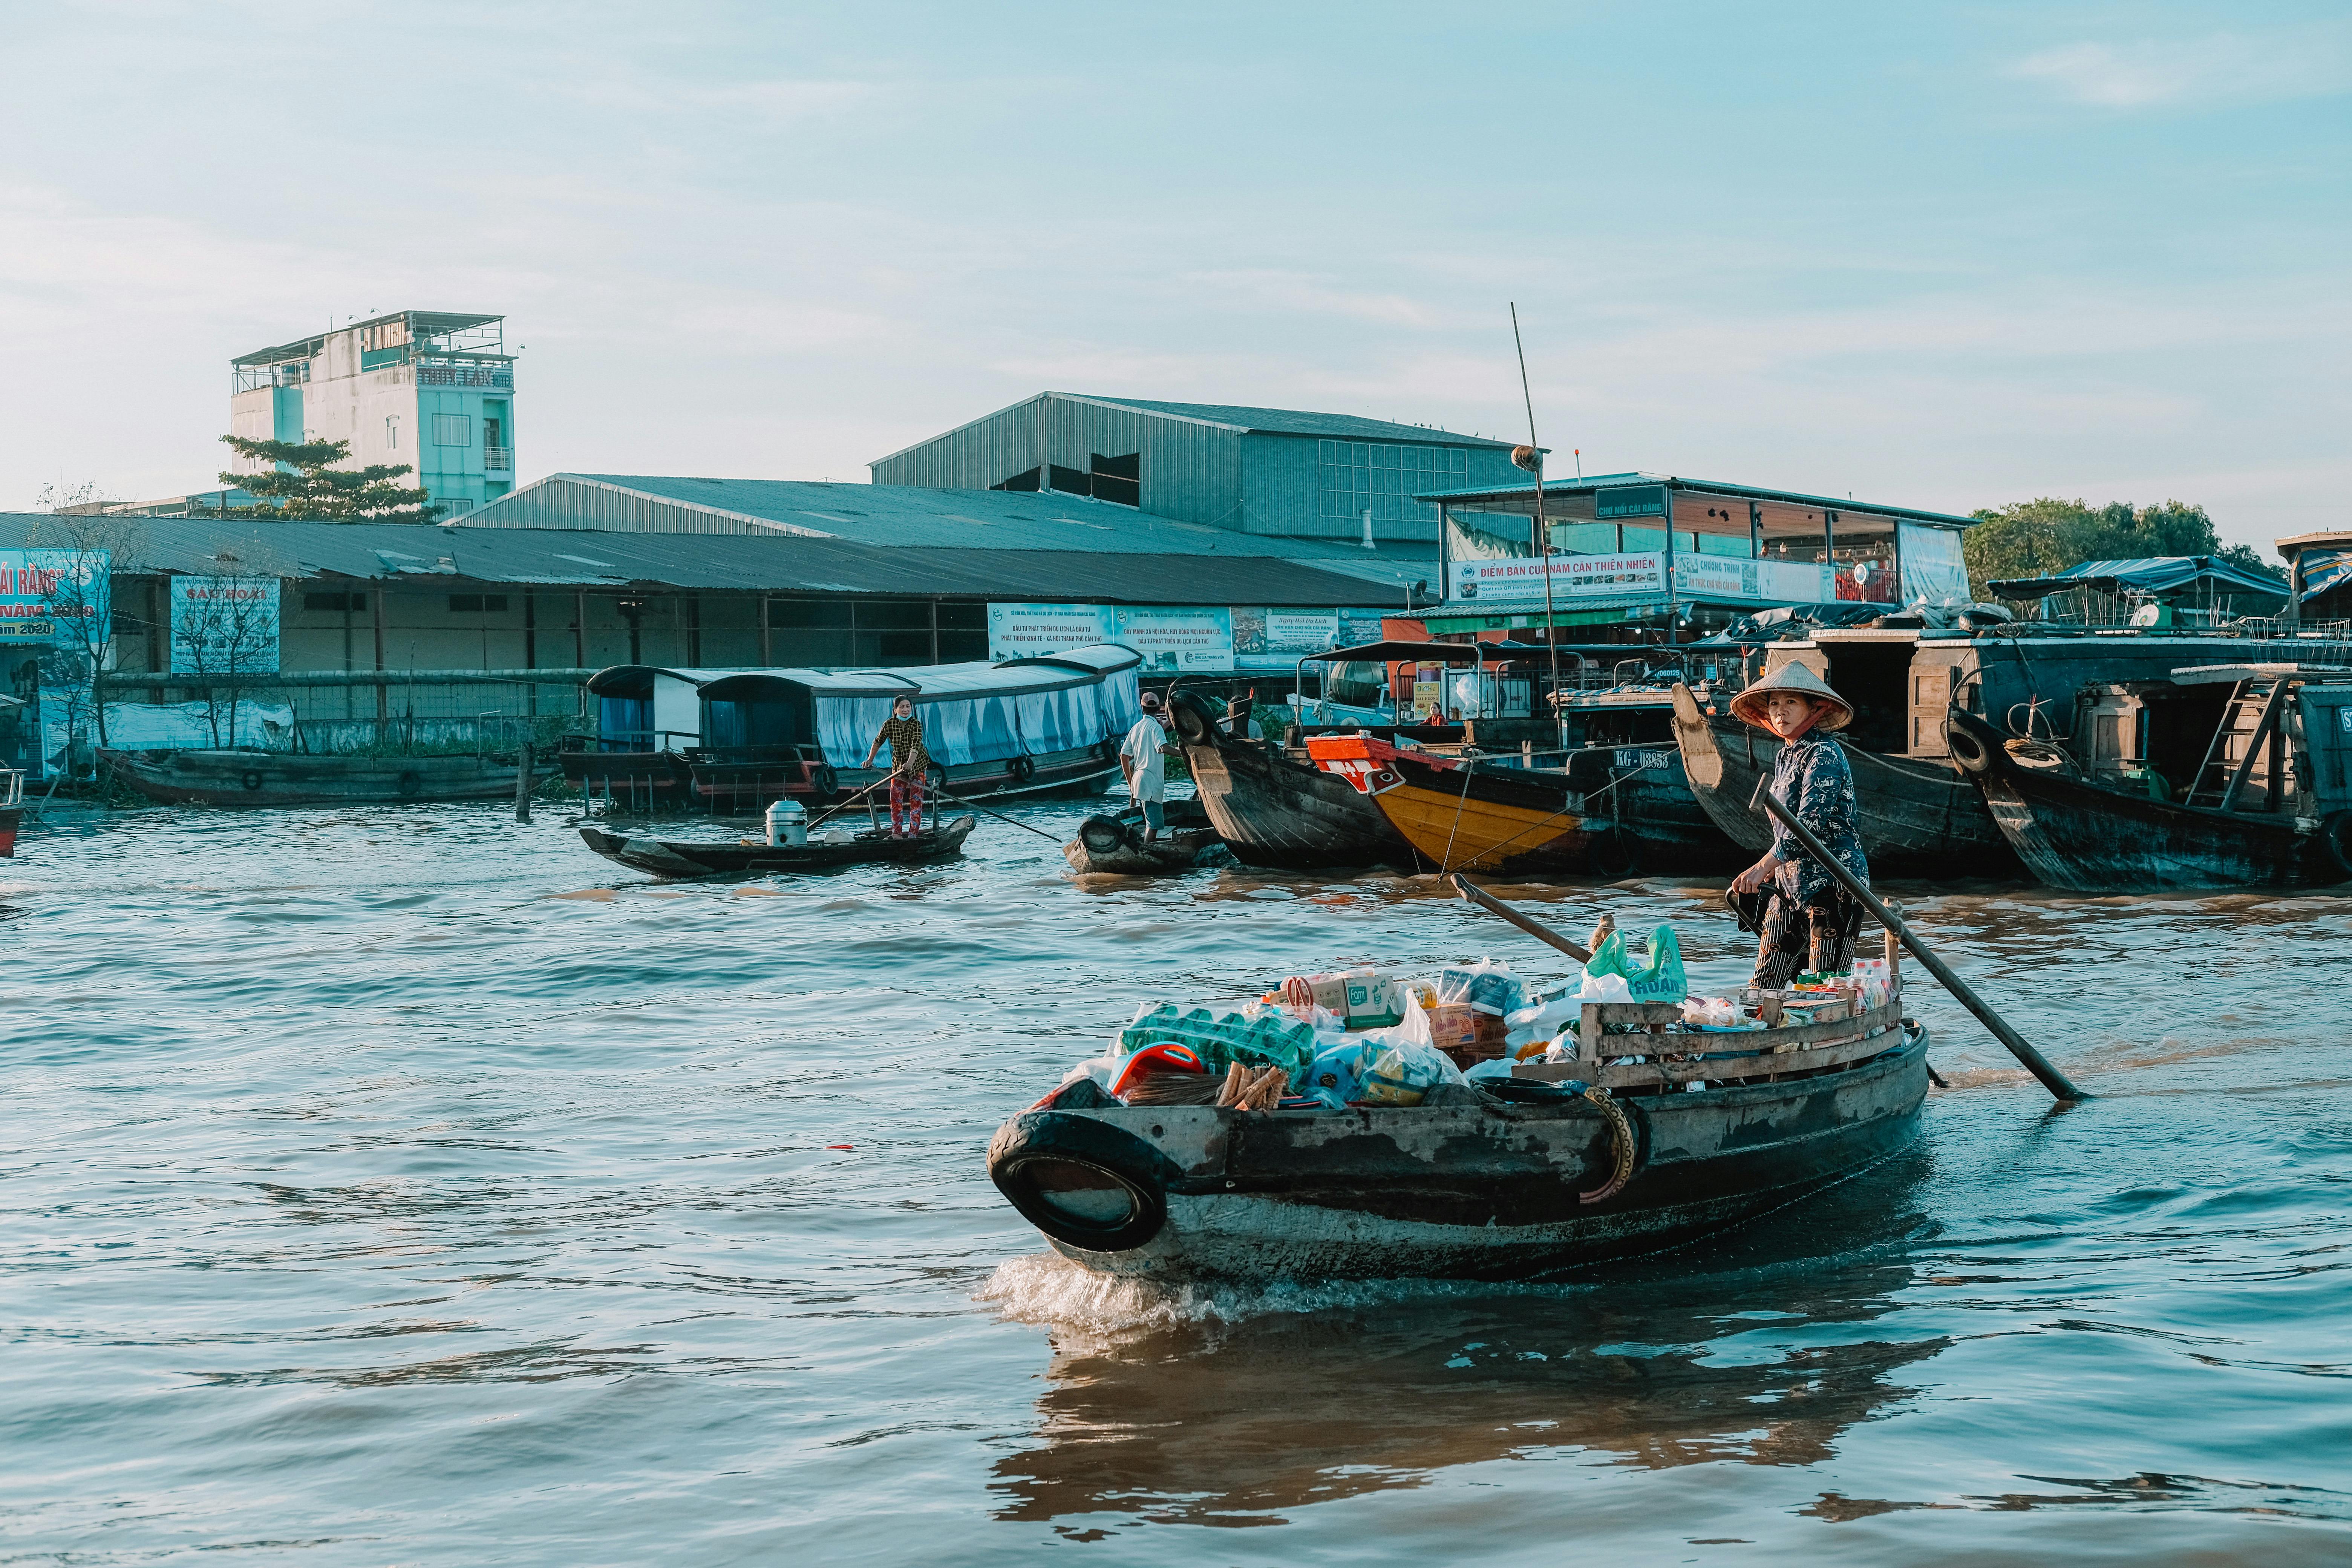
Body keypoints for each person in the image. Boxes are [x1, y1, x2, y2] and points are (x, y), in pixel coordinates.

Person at [1726, 665, 1871, 989]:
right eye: (1775, 704)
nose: (1781, 712)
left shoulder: (1825, 753)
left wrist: (1761, 868)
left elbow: (1809, 828)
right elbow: (1784, 834)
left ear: (1813, 709)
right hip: (1789, 886)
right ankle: (1759, 1039)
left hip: (1834, 884)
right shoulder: (1784, 757)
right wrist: (1766, 870)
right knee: (1765, 984)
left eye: (1791, 703)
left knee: (1823, 987)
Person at [861, 694, 931, 838]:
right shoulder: (889, 724)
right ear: (895, 710)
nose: (906, 710)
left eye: (908, 707)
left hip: (917, 765)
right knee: (895, 799)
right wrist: (870, 760)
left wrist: (910, 764)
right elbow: (877, 742)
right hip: (899, 767)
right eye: (902, 707)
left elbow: (915, 747)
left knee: (916, 801)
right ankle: (897, 833)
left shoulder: (916, 724)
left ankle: (913, 835)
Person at [1119, 691, 1177, 842]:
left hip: (1139, 781)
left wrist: (1130, 781)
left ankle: (1145, 846)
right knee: (1154, 825)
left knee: (1148, 823)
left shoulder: (1136, 728)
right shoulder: (1156, 727)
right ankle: (1147, 851)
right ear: (1159, 709)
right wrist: (1185, 754)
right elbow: (1163, 748)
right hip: (1150, 781)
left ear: (1142, 708)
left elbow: (1123, 756)